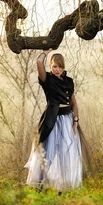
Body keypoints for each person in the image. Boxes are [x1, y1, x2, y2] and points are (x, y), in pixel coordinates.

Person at [24, 49, 82, 192]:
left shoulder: (68, 81)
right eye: (54, 66)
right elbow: (38, 62)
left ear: (63, 67)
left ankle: (63, 188)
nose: (57, 69)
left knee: (66, 153)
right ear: (50, 66)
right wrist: (46, 51)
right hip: (52, 120)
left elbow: (73, 103)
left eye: (60, 66)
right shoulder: (47, 80)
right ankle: (40, 185)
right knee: (47, 153)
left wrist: (75, 121)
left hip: (67, 120)